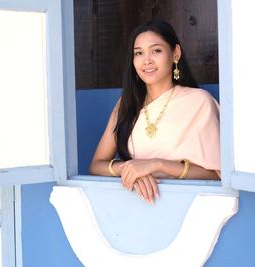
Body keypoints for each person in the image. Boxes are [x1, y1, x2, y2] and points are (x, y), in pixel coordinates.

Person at [89, 20, 220, 204]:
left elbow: (216, 174)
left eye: (156, 50)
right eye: (139, 53)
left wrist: (157, 165)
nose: (147, 60)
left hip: (187, 207)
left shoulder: (200, 102)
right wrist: (130, 169)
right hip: (131, 205)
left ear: (175, 53)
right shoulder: (126, 104)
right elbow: (96, 165)